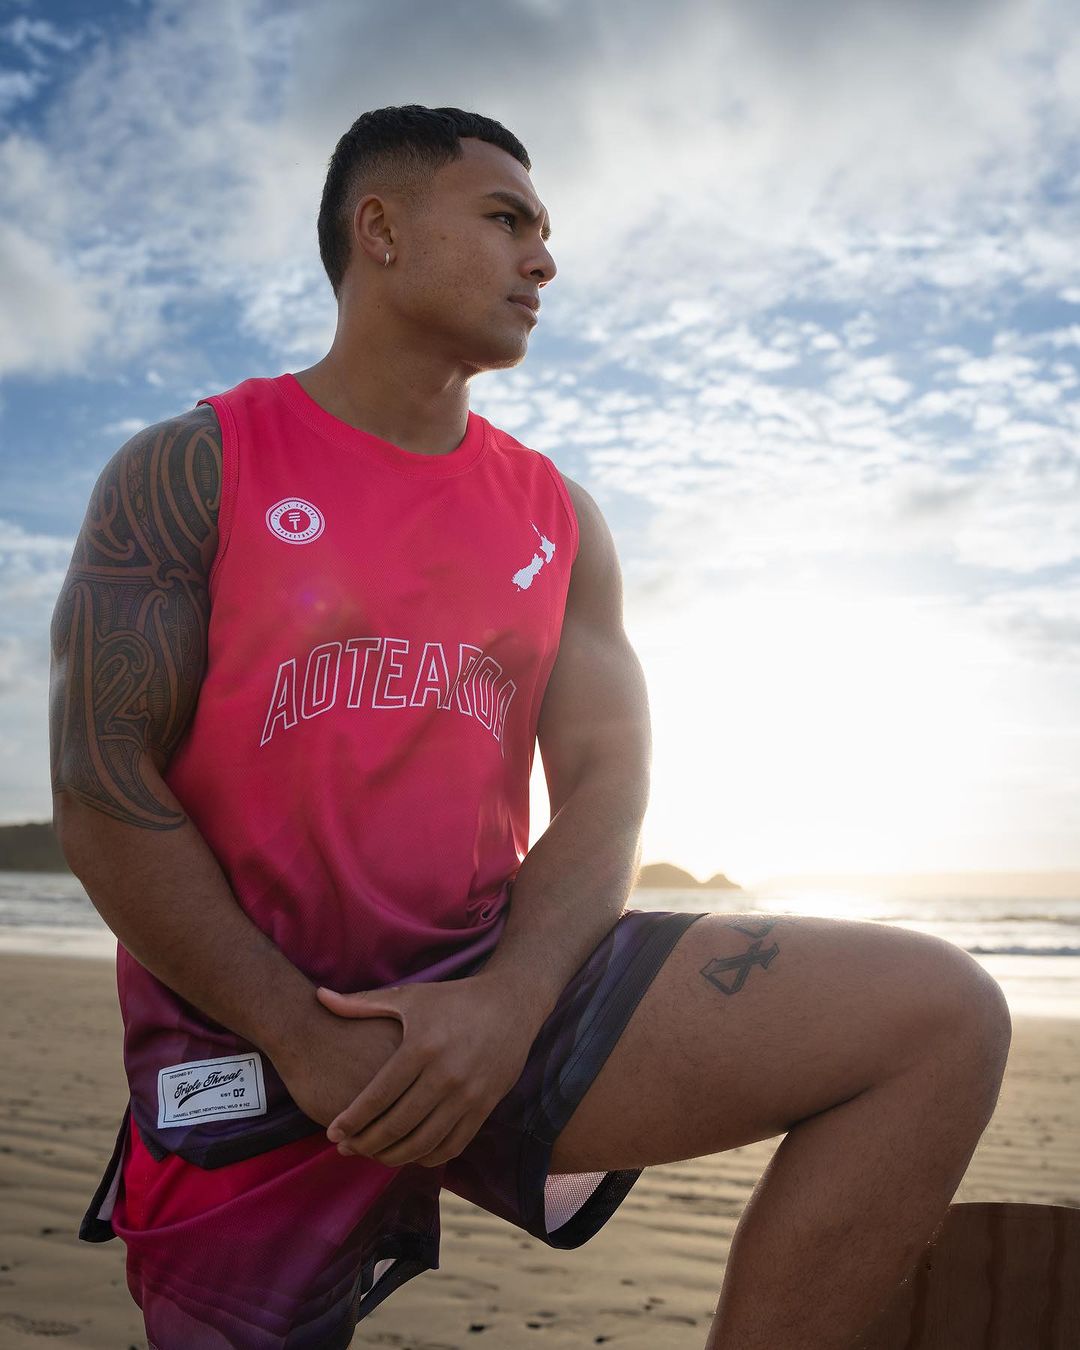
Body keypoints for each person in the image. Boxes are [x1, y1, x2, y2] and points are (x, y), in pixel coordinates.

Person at [49, 104, 1012, 1350]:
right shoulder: (191, 469)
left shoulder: (561, 516)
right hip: (254, 1039)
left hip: (495, 997)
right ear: (379, 229)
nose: (544, 261)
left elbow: (610, 785)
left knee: (937, 1017)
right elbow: (102, 784)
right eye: (506, 220)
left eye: (545, 231)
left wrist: (506, 1010)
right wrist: (296, 1030)